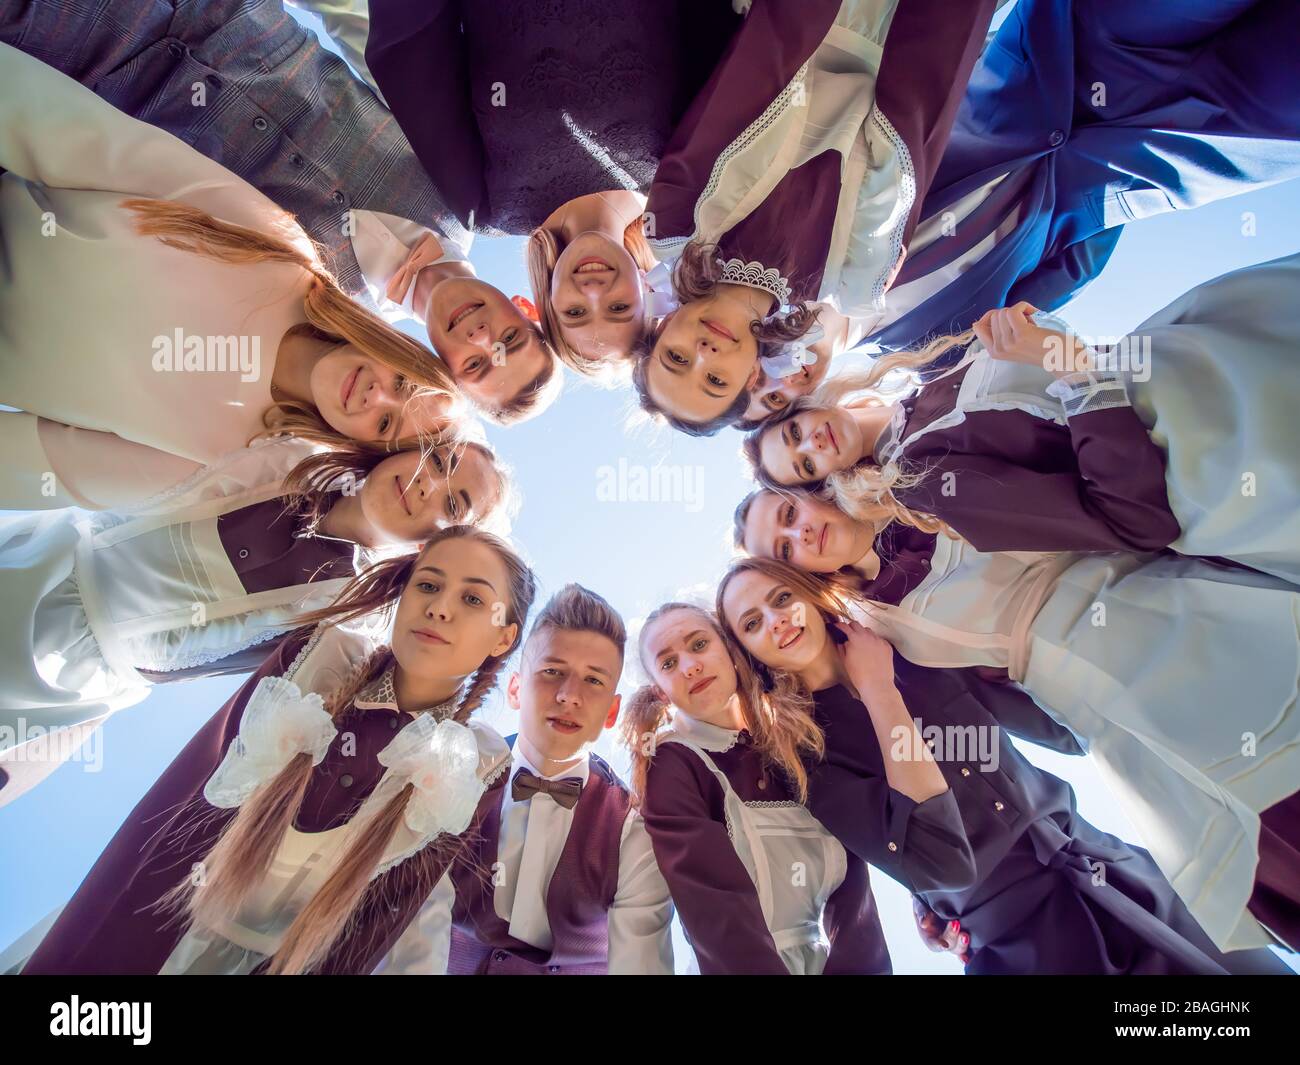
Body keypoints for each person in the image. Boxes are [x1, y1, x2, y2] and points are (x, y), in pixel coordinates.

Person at [732, 499, 1300, 955]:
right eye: (754, 623)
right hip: (1027, 945)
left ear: (806, 588)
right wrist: (880, 692)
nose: (778, 621)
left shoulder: (910, 646)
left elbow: (1064, 729)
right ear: (749, 655)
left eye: (782, 597)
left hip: (1116, 866)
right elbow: (944, 863)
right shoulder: (806, 759)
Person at [21, 526, 537, 975]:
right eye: (427, 584)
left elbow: (382, 919)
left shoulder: (476, 768)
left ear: (503, 638)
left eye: (473, 600)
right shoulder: (316, 661)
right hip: (153, 921)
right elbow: (186, 798)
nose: (439, 607)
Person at [0, 43, 458, 511]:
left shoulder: (226, 462)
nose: (375, 395)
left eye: (384, 425)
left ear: (359, 450)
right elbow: (105, 150)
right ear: (396, 348)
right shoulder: (284, 255)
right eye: (401, 383)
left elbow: (47, 465)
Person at [0, 435, 513, 806]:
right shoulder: (287, 453)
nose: (429, 482)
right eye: (439, 458)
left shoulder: (350, 620)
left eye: (452, 502)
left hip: (73, 682)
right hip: (42, 558)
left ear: (435, 544)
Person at [748, 253, 1300, 584]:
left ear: (809, 404)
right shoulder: (922, 484)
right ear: (828, 484)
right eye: (806, 465)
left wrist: (1037, 333)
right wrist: (1072, 368)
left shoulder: (928, 378)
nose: (813, 444)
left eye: (795, 432)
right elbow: (1134, 521)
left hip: (1201, 347)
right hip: (1230, 442)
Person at [634, 0, 996, 433]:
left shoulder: (675, 225)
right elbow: (919, 121)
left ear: (665, 324)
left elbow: (750, 74)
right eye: (715, 380)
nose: (704, 354)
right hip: (920, 33)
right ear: (752, 378)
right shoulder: (854, 278)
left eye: (676, 358)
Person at [377, 584, 675, 974]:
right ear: (516, 688)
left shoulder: (633, 830)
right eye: (553, 671)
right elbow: (403, 918)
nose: (569, 695)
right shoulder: (452, 772)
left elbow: (642, 963)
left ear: (612, 711)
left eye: (594, 681)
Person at [624, 601, 891, 974]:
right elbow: (716, 908)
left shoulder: (798, 743)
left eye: (699, 644)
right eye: (669, 664)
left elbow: (854, 901)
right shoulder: (672, 763)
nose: (690, 667)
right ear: (662, 692)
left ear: (731, 650)